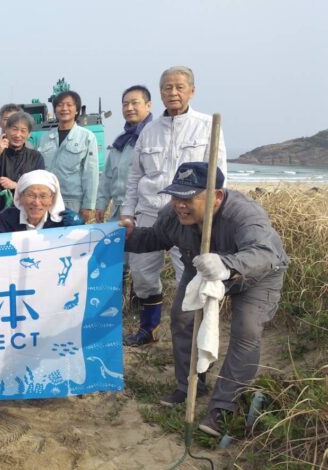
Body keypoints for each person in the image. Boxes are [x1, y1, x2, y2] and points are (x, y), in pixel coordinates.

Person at [121, 162, 286, 437]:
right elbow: (154, 238)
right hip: (200, 270)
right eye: (176, 197)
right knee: (183, 318)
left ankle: (224, 406)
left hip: (255, 277)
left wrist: (227, 264)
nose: (180, 205)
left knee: (246, 329)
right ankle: (190, 386)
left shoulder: (244, 215)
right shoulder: (173, 216)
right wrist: (128, 237)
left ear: (216, 197)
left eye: (188, 198)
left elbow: (265, 253)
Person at [120, 66, 228, 346]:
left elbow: (219, 176)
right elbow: (135, 176)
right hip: (149, 212)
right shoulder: (149, 131)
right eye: (167, 87)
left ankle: (190, 339)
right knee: (142, 274)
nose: (173, 92)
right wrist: (127, 213)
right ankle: (148, 330)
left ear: (192, 90)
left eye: (180, 87)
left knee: (189, 277)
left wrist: (211, 217)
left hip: (188, 216)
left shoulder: (207, 126)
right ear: (160, 93)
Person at [37, 90, 100, 222]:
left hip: (73, 202)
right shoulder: (45, 138)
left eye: (69, 105)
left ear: (77, 110)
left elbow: (91, 174)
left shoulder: (87, 137)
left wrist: (88, 206)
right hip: (47, 201)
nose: (64, 108)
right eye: (60, 105)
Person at [95, 86, 153, 223]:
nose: (129, 108)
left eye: (135, 103)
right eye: (125, 104)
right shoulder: (121, 140)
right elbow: (108, 176)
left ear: (148, 106)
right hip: (118, 211)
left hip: (144, 211)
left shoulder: (155, 137)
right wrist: (101, 204)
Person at [0, 111, 45, 211]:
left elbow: (40, 185)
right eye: (14, 129)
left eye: (23, 131)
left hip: (27, 211)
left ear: (28, 134)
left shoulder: (35, 157)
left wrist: (16, 185)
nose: (18, 135)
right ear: (6, 130)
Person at [0, 170, 84, 233]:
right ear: (20, 197)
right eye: (30, 195)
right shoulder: (5, 219)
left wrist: (79, 229)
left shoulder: (64, 221)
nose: (37, 202)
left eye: (43, 196)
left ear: (52, 199)